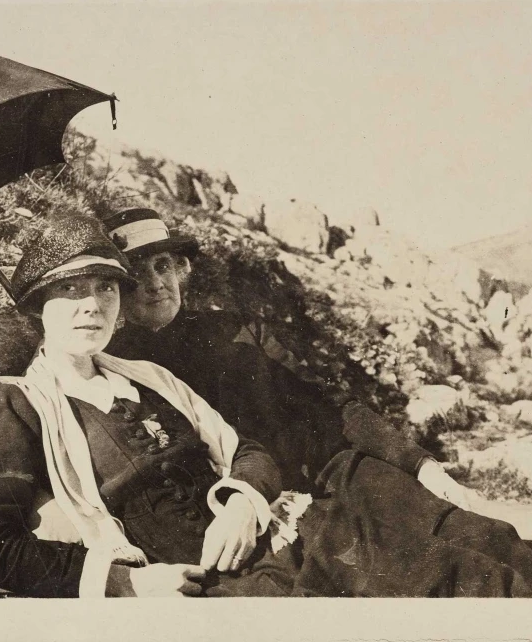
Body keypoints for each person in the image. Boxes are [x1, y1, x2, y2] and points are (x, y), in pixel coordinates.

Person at [0, 215, 532, 598]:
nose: (92, 305)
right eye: (68, 291)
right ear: (36, 308)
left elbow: (246, 448)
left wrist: (243, 505)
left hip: (281, 527)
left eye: (104, 287)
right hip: (215, 587)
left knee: (459, 573)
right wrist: (126, 582)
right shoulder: (19, 408)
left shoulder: (148, 377)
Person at [103, 208, 468, 501]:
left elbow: (329, 403)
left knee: (469, 529)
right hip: (242, 506)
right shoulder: (115, 366)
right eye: (137, 272)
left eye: (163, 266)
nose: (155, 284)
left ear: (180, 271)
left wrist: (420, 464)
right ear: (119, 287)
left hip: (325, 474)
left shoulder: (240, 328)